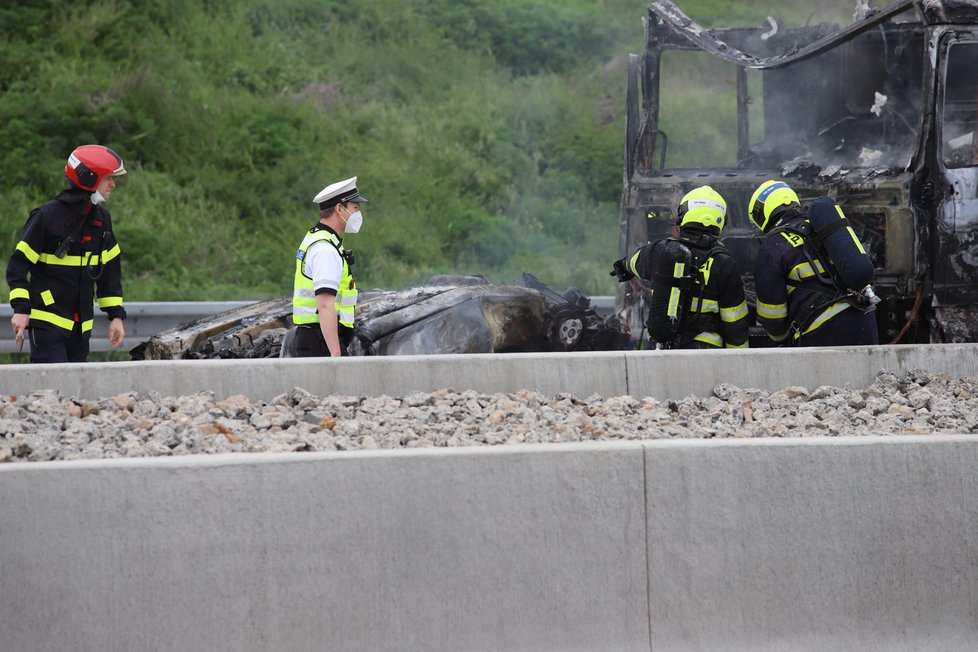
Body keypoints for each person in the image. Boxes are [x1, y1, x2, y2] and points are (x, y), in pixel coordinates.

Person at [6, 145, 128, 363]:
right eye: (108, 178)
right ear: (90, 178)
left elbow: (110, 273)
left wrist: (116, 316)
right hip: (46, 324)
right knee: (51, 391)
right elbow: (17, 267)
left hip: (81, 329)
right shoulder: (47, 216)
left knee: (74, 395)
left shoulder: (101, 220)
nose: (113, 184)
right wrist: (21, 310)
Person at [611, 185, 750, 349]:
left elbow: (631, 262)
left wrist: (623, 268)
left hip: (660, 351)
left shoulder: (660, 250)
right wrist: (739, 358)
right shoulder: (725, 263)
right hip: (705, 352)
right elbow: (734, 322)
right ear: (721, 220)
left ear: (684, 215)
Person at [748, 179, 879, 346]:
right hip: (865, 319)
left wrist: (781, 339)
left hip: (822, 331)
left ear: (761, 213)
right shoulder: (822, 225)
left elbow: (772, 317)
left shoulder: (773, 244)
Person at [292, 176, 367, 357]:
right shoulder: (325, 249)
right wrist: (335, 353)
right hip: (321, 342)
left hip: (318, 337)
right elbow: (325, 304)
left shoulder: (319, 238)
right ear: (339, 209)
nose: (358, 214)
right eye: (355, 208)